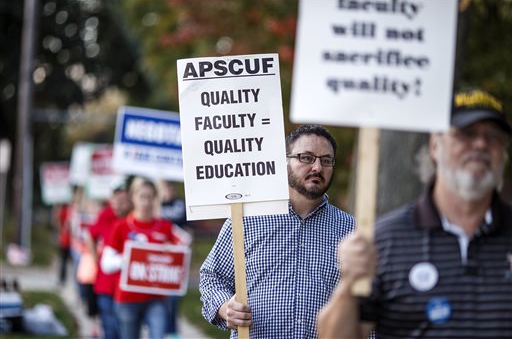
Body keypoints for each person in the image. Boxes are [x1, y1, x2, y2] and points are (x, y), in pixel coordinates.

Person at [317, 88, 512, 338]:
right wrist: (348, 284)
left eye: (494, 137)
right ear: (434, 145)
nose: (481, 144)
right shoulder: (383, 240)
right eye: (466, 133)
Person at [199, 124, 356, 338]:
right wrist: (225, 307)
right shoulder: (247, 219)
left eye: (326, 160)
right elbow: (212, 277)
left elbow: (365, 304)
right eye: (307, 158)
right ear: (284, 162)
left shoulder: (351, 231)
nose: (318, 167)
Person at [100, 177, 183, 339]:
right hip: (127, 298)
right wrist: (128, 260)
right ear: (133, 198)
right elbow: (106, 264)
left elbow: (182, 248)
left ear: (155, 199)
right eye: (141, 197)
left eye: (149, 197)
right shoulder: (121, 226)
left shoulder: (165, 227)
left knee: (158, 335)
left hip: (156, 298)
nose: (145, 202)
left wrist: (172, 251)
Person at [86, 184, 132, 339]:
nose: (119, 205)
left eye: (123, 201)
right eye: (116, 201)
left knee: (124, 328)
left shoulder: (134, 219)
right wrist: (95, 259)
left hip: (127, 285)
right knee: (109, 326)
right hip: (106, 282)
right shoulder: (106, 215)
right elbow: (90, 236)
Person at [157, 180, 192, 339]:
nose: (168, 190)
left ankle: (172, 330)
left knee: (174, 297)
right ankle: (162, 329)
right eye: (164, 186)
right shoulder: (155, 205)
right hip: (159, 258)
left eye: (170, 186)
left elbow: (188, 228)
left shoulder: (180, 204)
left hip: (177, 258)